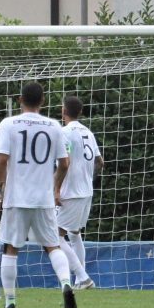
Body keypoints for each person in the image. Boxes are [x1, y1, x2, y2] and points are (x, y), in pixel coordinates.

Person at [0, 81, 76, 308]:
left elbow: (1, 160)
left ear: (20, 100)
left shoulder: (8, 124)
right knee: (52, 246)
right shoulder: (54, 126)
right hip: (43, 198)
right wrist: (54, 185)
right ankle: (67, 284)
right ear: (43, 101)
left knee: (11, 248)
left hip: (16, 197)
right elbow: (65, 164)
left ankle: (9, 300)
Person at [57, 96, 104, 289]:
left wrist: (56, 188)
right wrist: (87, 177)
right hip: (86, 191)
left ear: (63, 111)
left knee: (55, 236)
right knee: (74, 234)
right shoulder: (88, 132)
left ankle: (83, 277)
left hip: (71, 192)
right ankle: (80, 281)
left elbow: (64, 163)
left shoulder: (64, 132)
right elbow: (100, 162)